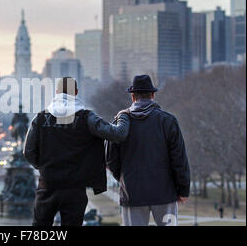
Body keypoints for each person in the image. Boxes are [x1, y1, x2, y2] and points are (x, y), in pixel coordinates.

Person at [23, 77, 130, 226]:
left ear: (57, 92)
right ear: (77, 92)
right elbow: (118, 134)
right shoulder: (87, 117)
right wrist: (123, 115)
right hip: (74, 186)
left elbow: (28, 152)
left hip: (47, 184)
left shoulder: (40, 118)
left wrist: (45, 167)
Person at [106, 75, 190, 226]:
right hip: (165, 193)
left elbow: (111, 159)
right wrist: (183, 190)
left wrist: (125, 179)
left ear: (133, 97)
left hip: (132, 193)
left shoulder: (120, 123)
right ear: (152, 95)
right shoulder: (168, 121)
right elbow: (179, 159)